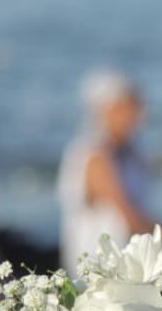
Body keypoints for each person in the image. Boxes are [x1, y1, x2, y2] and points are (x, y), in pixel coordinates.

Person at [56, 69, 156, 277]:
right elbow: (130, 219)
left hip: (126, 261)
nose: (137, 114)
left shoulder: (131, 153)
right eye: (126, 108)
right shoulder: (95, 156)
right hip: (98, 269)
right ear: (103, 110)